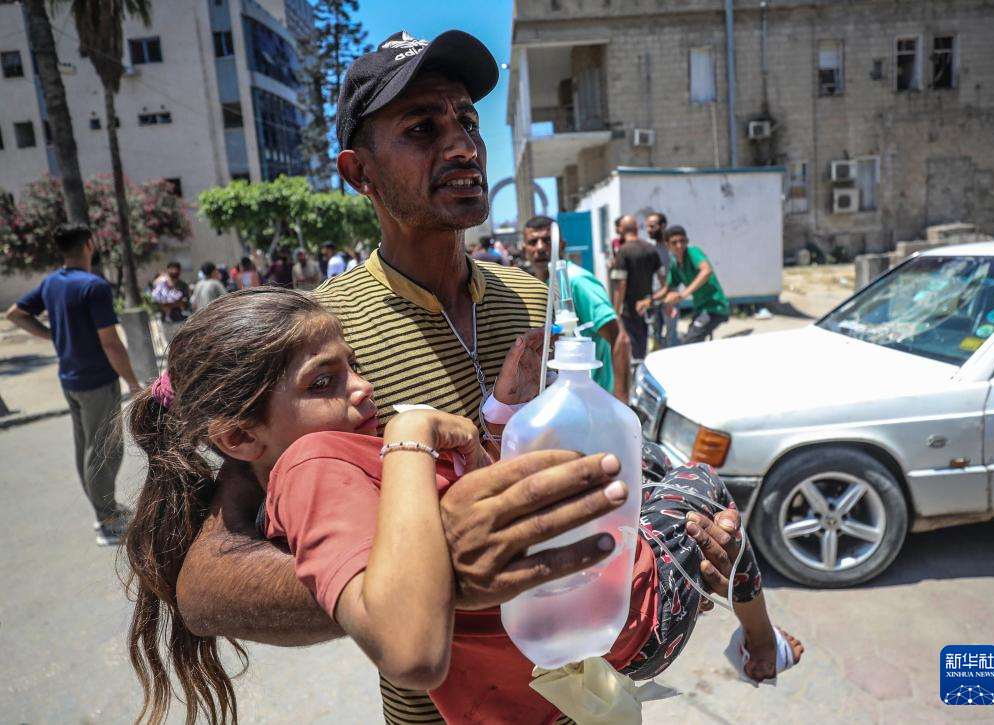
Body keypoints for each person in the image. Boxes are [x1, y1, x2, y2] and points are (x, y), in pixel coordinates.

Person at [172, 30, 769, 723]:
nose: (462, 146)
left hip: (589, 684)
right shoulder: (318, 344)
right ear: (359, 172)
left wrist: (682, 537)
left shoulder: (535, 300)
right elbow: (203, 584)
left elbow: (585, 470)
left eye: (467, 121)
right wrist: (430, 570)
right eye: (422, 129)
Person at [125, 288, 801, 725]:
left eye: (353, 365)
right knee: (700, 484)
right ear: (239, 438)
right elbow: (409, 644)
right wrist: (411, 433)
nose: (362, 389)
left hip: (571, 657)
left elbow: (471, 494)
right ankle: (761, 644)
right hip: (629, 620)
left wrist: (499, 416)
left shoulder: (351, 454)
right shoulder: (317, 464)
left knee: (648, 463)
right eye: (325, 381)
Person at [5, 222, 141, 545]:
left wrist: (53, 336)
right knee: (104, 449)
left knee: (88, 448)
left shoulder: (52, 283)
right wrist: (133, 382)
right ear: (90, 244)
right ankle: (108, 520)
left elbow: (14, 314)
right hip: (97, 382)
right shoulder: (94, 287)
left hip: (71, 380)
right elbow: (111, 343)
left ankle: (103, 512)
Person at [522, 215, 632, 402]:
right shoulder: (537, 285)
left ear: (562, 245)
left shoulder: (577, 281)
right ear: (525, 249)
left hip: (594, 401)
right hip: (566, 401)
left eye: (547, 240)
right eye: (533, 242)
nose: (540, 247)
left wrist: (622, 402)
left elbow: (620, 338)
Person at [639, 225, 731, 345]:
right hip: (700, 309)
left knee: (690, 342)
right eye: (674, 242)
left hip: (715, 308)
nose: (679, 245)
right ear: (667, 245)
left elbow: (707, 271)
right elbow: (667, 289)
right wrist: (649, 300)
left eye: (682, 241)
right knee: (690, 341)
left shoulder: (693, 252)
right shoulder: (674, 263)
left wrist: (683, 295)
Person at [610, 215, 662, 360]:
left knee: (633, 349)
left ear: (621, 229)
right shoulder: (650, 248)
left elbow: (621, 284)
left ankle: (637, 370)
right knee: (645, 343)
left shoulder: (624, 251)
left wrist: (616, 311)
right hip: (648, 305)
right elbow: (663, 277)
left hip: (630, 309)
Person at [646, 211, 677, 348]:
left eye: (652, 226)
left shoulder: (672, 247)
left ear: (663, 225)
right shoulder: (648, 246)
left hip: (670, 295)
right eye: (648, 226)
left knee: (671, 333)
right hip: (652, 295)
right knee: (654, 333)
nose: (649, 229)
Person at [152, 260, 190, 345]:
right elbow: (156, 301)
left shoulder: (182, 285)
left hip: (180, 320)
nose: (174, 271)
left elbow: (185, 302)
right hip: (166, 321)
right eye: (172, 269)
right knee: (170, 344)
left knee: (182, 344)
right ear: (168, 270)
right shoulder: (161, 285)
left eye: (176, 269)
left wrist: (169, 305)